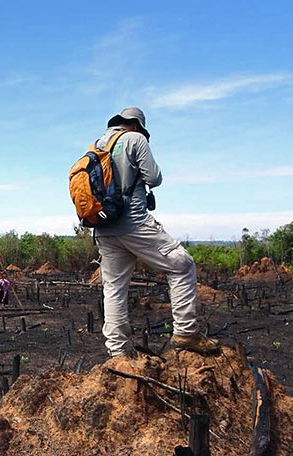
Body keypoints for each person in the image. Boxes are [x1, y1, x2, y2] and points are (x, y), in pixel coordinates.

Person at [93, 107, 218, 358]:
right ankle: (185, 331)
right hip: (134, 223)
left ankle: (118, 354)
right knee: (182, 264)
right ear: (137, 125)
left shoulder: (98, 145)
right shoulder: (135, 139)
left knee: (115, 287)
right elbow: (154, 177)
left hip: (103, 227)